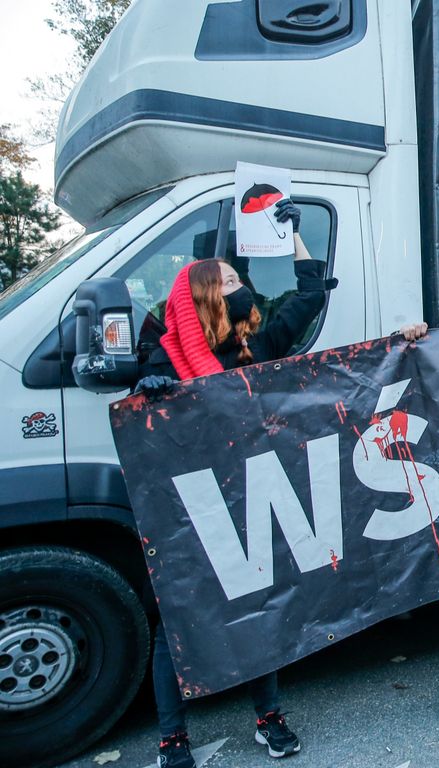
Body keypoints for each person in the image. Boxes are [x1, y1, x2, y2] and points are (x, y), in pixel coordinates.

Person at [133, 200, 354, 767]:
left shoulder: (263, 345)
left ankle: (269, 715)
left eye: (239, 278)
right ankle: (171, 738)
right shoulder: (166, 348)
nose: (240, 287)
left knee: (259, 606)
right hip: (190, 503)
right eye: (228, 280)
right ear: (202, 294)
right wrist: (153, 385)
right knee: (177, 617)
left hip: (252, 494)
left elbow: (309, 296)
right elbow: (144, 396)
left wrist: (296, 237)